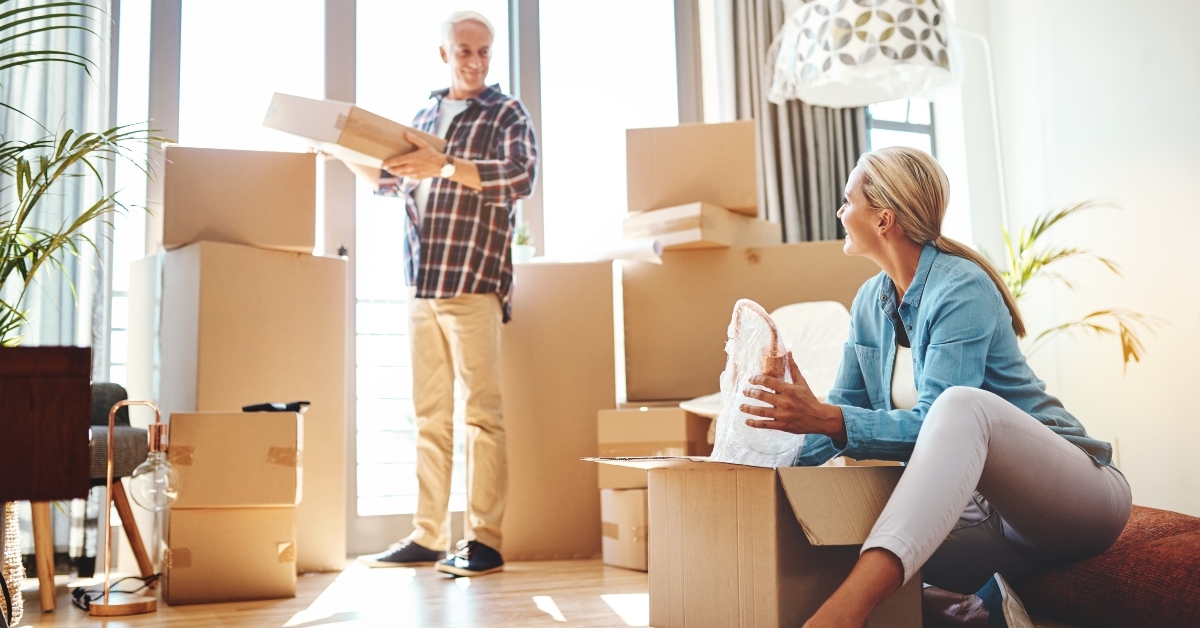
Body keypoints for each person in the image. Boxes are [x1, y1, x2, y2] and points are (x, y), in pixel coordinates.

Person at [739, 146, 1131, 627]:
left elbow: (933, 420)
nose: (841, 212)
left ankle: (842, 617)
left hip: (1075, 502)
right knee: (829, 541)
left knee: (960, 406)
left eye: (848, 201)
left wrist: (826, 417)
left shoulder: (959, 287)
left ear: (884, 220)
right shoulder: (869, 303)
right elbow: (842, 411)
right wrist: (768, 462)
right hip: (987, 526)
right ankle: (963, 608)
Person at [350, 10, 538, 577]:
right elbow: (389, 181)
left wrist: (447, 164)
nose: (476, 62)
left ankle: (484, 539)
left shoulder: (506, 112)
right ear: (444, 54)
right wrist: (338, 150)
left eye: (484, 52)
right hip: (422, 284)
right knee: (429, 415)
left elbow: (520, 175)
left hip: (473, 280)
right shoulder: (425, 115)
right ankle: (428, 535)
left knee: (482, 413)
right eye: (464, 51)